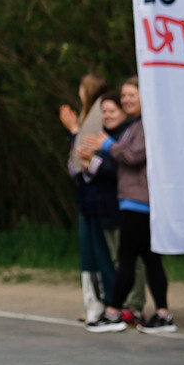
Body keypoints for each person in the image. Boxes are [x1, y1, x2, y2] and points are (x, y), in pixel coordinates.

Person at [87, 79, 171, 331]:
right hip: (133, 201)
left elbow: (134, 156)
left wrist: (108, 146)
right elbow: (122, 159)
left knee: (126, 259)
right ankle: (163, 314)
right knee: (149, 259)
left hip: (139, 202)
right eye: (123, 96)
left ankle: (114, 312)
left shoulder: (147, 125)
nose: (126, 100)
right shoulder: (135, 126)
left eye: (131, 95)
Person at [66, 81, 124, 332]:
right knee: (90, 257)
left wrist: (75, 133)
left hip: (105, 203)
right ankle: (95, 305)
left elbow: (114, 167)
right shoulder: (89, 119)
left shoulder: (114, 133)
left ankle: (113, 304)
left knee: (107, 256)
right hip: (87, 200)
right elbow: (76, 164)